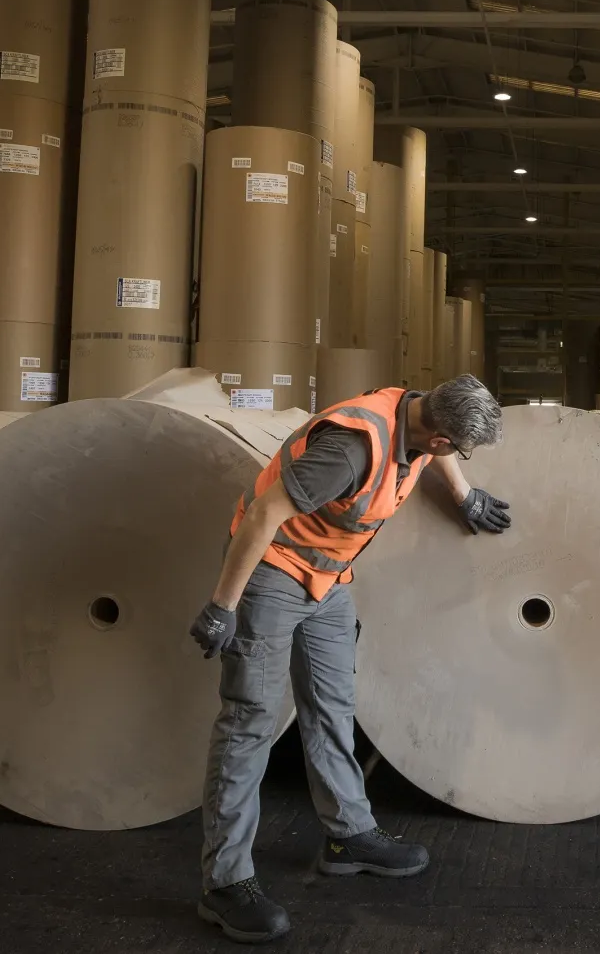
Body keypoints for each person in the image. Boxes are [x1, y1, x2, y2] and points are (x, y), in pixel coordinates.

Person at [189, 374, 512, 944]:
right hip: (271, 574)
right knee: (248, 722)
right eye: (459, 451)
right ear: (437, 436)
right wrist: (223, 607)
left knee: (333, 704)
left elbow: (429, 453)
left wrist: (465, 494)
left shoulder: (418, 416)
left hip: (327, 580)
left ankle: (348, 835)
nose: (455, 459)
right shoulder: (350, 448)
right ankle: (224, 882)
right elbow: (265, 516)